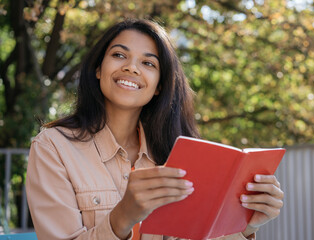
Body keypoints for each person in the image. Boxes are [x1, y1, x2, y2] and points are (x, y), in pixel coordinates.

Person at [26, 19, 284, 240]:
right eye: (118, 55)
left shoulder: (180, 155)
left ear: (159, 85)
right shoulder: (53, 147)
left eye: (149, 63)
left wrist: (247, 225)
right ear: (97, 68)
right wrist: (121, 218)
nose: (131, 67)